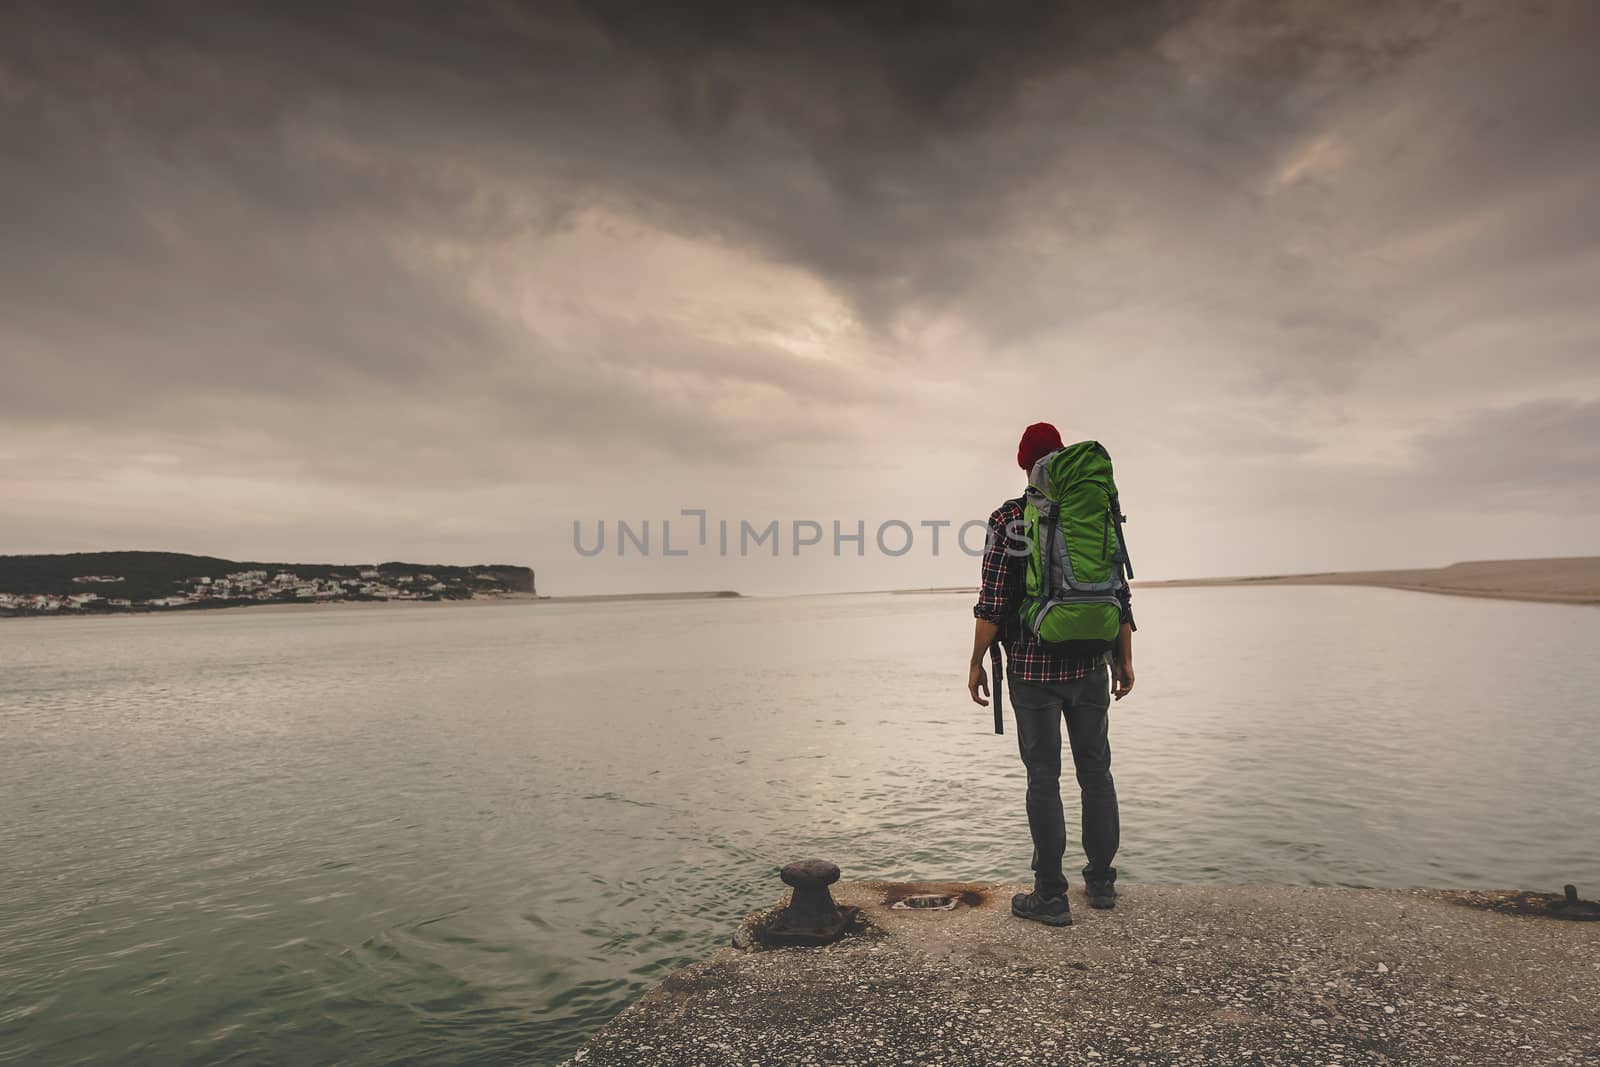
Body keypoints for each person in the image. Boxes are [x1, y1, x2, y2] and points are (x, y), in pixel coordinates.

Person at [967, 421, 1135, 927]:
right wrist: (1124, 660)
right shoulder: (1094, 509)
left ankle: (1051, 896)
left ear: (1025, 465)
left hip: (1032, 668)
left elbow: (993, 601)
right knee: (1096, 773)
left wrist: (975, 662)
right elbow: (1120, 589)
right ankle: (1102, 884)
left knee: (1044, 778)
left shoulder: (1011, 518)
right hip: (1091, 664)